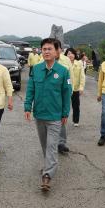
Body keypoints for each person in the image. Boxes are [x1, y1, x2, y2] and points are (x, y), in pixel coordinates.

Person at [24, 38, 72, 191]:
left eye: (49, 49)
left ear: (56, 51)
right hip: (39, 115)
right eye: (44, 49)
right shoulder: (36, 69)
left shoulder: (63, 71)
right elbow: (30, 89)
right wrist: (27, 107)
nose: (46, 51)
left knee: (51, 146)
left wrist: (65, 113)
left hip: (55, 116)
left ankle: (47, 176)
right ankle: (48, 166)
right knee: (45, 145)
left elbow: (67, 93)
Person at [54, 39, 74, 154]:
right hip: (51, 95)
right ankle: (50, 142)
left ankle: (61, 143)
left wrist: (70, 91)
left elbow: (71, 77)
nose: (55, 51)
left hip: (63, 95)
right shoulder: (44, 59)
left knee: (62, 118)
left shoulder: (66, 60)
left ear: (60, 49)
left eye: (57, 48)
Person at [65, 48, 85, 127]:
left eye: (71, 53)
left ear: (74, 54)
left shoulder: (79, 63)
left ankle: (76, 120)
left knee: (76, 105)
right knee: (64, 105)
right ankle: (62, 119)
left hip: (76, 88)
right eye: (68, 53)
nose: (70, 55)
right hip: (66, 88)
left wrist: (81, 87)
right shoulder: (63, 64)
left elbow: (82, 76)